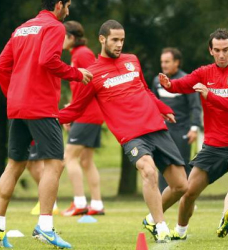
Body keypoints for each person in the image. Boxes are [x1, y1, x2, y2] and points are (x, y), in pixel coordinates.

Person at [58, 20, 188, 243]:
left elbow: (146, 90)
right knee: (147, 170)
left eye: (122, 40)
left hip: (155, 127)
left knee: (181, 186)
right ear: (102, 39)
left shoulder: (132, 60)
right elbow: (77, 107)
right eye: (115, 40)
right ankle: (161, 227)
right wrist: (48, 120)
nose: (119, 44)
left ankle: (151, 218)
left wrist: (163, 108)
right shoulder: (92, 73)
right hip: (131, 135)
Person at [0, 0, 92, 248]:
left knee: (14, 165)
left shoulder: (22, 28)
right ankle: (45, 228)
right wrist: (77, 74)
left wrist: (13, 94)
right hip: (41, 107)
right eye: (67, 5)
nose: (69, 11)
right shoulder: (54, 27)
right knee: (55, 163)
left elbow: (0, 67)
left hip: (17, 107)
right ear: (58, 5)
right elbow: (48, 60)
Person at [159, 28, 228, 240]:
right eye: (217, 50)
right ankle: (180, 232)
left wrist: (210, 95)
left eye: (226, 49)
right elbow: (182, 84)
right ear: (211, 50)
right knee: (188, 192)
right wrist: (169, 85)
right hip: (214, 147)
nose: (222, 54)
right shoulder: (205, 73)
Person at [60, 21, 105, 216]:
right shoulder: (76, 55)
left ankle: (80, 203)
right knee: (86, 161)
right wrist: (72, 106)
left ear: (71, 37)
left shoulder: (83, 54)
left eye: (62, 35)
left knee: (69, 157)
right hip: (88, 113)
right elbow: (79, 86)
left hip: (87, 113)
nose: (59, 40)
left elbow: (94, 82)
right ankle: (96, 205)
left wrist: (74, 111)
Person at [152, 47, 202, 192]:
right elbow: (153, 103)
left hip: (182, 129)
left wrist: (194, 128)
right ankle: (162, 197)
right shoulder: (157, 81)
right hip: (163, 130)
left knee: (182, 164)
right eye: (162, 62)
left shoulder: (186, 80)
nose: (164, 65)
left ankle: (186, 198)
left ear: (177, 62)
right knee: (162, 163)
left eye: (167, 61)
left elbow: (195, 106)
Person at [27, 141, 59, 215]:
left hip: (37, 132)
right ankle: (45, 199)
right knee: (29, 163)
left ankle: (50, 203)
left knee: (37, 162)